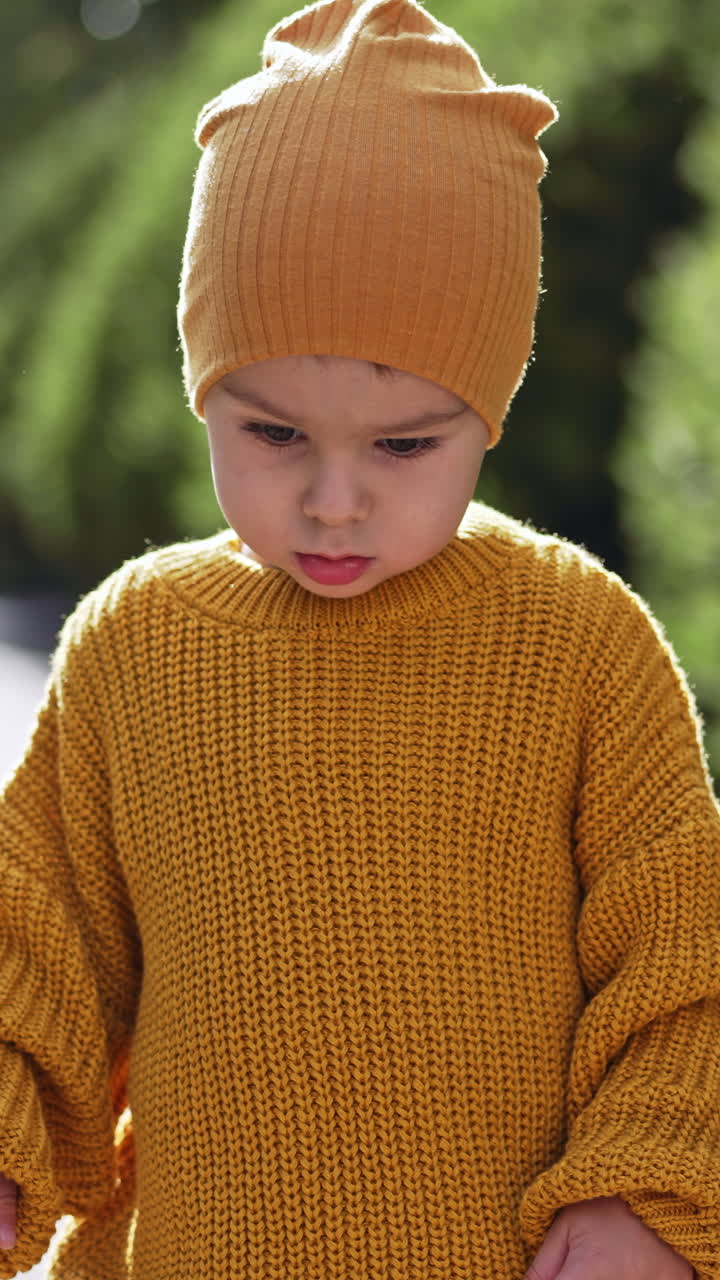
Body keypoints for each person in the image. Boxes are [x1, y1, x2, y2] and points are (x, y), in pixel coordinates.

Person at [1, 0, 719, 1275]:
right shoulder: (134, 647)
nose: (335, 499)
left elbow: (685, 958)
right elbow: (34, 947)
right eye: (272, 432)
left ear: (489, 407)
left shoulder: (580, 644)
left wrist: (648, 1187)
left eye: (403, 443)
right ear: (203, 390)